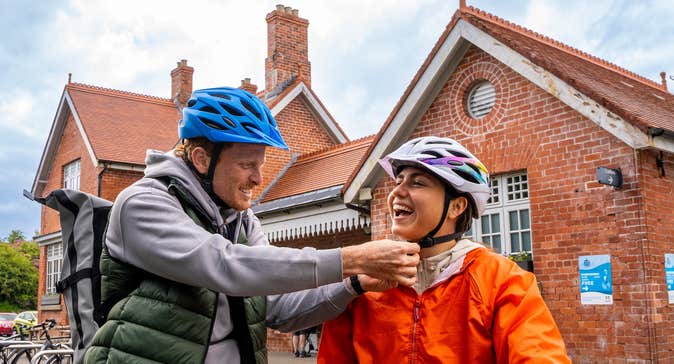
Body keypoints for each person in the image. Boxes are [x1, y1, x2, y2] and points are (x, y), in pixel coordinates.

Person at [82, 87, 419, 364]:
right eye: (246, 165)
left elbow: (278, 307)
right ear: (202, 159)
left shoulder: (242, 221)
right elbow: (223, 264)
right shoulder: (143, 203)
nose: (258, 179)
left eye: (260, 165)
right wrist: (352, 259)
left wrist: (354, 284)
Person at [318, 136, 571, 363]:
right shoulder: (364, 282)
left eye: (417, 183)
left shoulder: (502, 280)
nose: (397, 192)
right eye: (398, 181)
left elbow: (539, 355)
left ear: (456, 207)